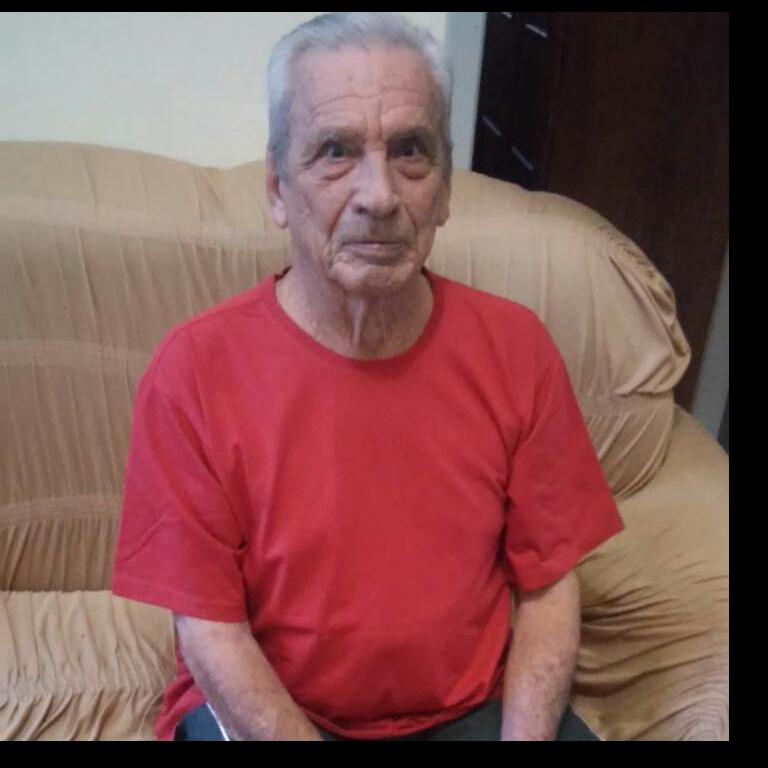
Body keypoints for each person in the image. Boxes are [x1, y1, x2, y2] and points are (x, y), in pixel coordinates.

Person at [112, 12, 624, 741]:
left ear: (444, 188)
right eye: (336, 151)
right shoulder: (193, 372)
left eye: (411, 151)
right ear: (277, 188)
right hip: (276, 713)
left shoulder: (517, 348)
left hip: (469, 711)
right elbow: (209, 631)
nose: (379, 196)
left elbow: (548, 589)